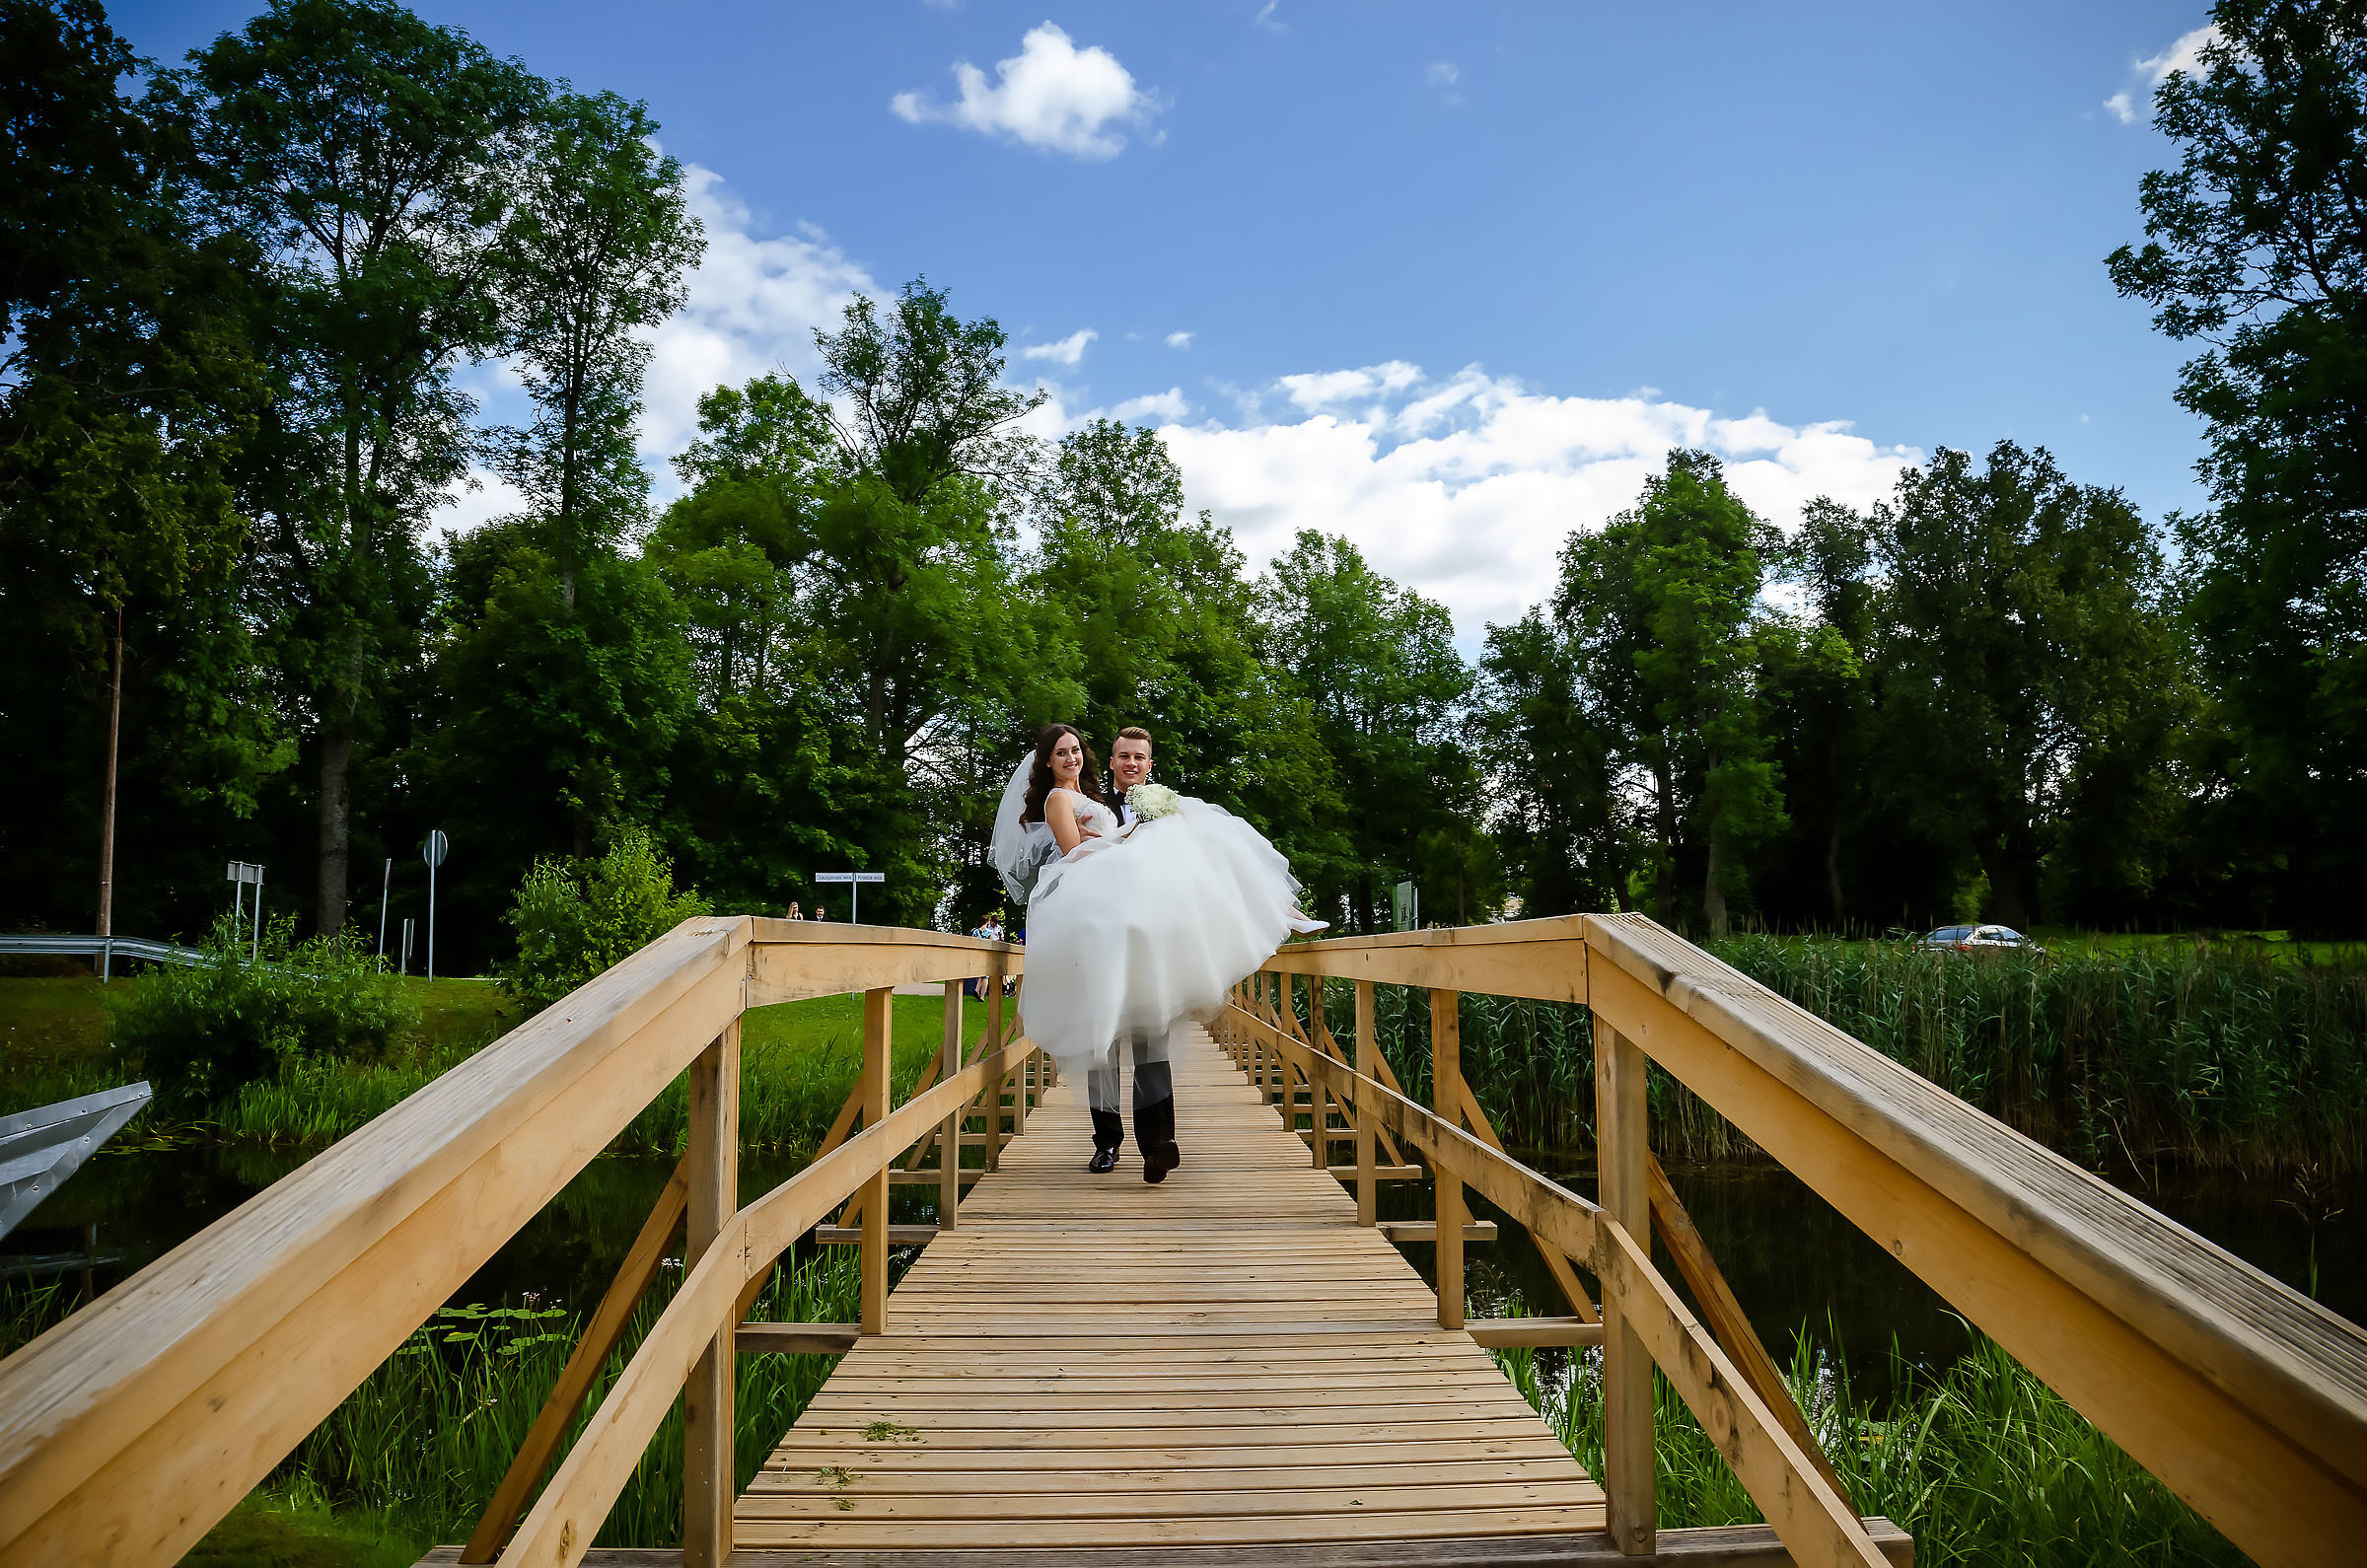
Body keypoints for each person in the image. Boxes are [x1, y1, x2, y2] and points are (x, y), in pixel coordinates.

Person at [990, 722, 1325, 1183]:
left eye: (1076, 750)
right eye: (1062, 752)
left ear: (1148, 763)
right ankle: (1107, 1142)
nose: (1072, 758)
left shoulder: (1137, 801)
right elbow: (1073, 855)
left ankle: (1157, 1145)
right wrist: (1121, 837)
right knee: (1102, 1039)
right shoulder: (1077, 801)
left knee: (1152, 1035)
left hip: (1146, 936)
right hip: (1099, 930)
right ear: (1110, 760)